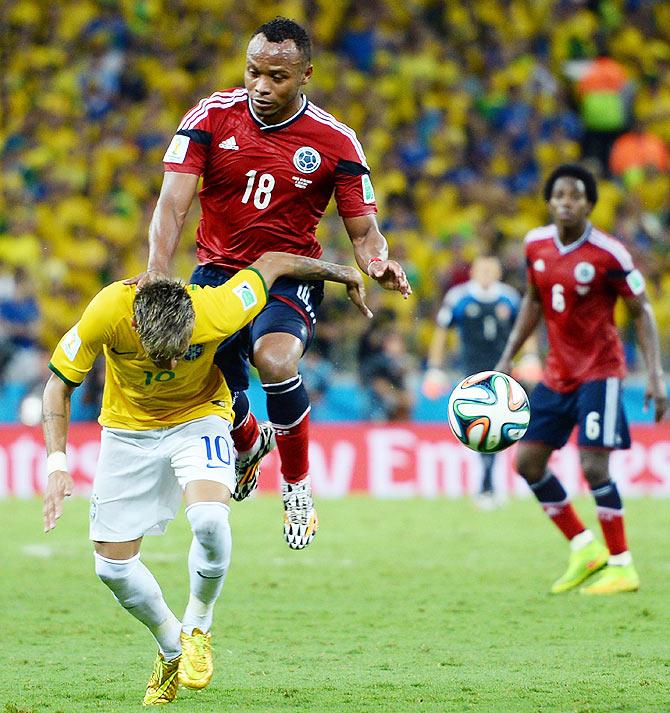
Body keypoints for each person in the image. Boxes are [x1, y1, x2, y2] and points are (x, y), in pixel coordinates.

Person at [42, 251, 372, 705]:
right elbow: (59, 384)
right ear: (136, 327)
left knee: (211, 522)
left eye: (183, 353)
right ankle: (171, 645)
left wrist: (343, 273)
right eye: (164, 357)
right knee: (111, 568)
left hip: (200, 418)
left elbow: (273, 262)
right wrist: (56, 463)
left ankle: (198, 623)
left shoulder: (217, 307)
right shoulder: (106, 311)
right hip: (127, 431)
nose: (173, 366)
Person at [138, 16, 411, 551]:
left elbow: (364, 230)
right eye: (253, 72)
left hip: (289, 271)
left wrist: (378, 262)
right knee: (209, 385)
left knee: (277, 360)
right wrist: (156, 269)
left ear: (305, 74)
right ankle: (247, 443)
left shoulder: (336, 140)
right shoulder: (212, 116)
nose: (261, 86)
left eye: (277, 77)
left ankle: (297, 486)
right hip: (216, 272)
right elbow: (173, 200)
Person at [495, 164, 667, 595]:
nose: (566, 203)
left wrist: (656, 374)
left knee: (593, 466)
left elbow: (641, 310)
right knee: (527, 462)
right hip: (557, 374)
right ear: (549, 202)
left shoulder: (609, 254)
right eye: (559, 196)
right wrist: (506, 358)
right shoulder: (535, 245)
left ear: (589, 204)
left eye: (574, 196)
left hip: (601, 373)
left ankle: (622, 564)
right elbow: (533, 301)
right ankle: (583, 547)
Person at [422, 255, 521, 508]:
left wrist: (530, 356)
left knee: (497, 427)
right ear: (473, 272)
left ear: (499, 272)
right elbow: (442, 332)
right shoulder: (458, 297)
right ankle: (487, 486)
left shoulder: (510, 297)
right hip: (472, 374)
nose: (486, 273)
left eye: (491, 269)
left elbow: (524, 330)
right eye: (482, 269)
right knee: (483, 426)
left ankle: (487, 486)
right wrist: (435, 367)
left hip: (503, 372)